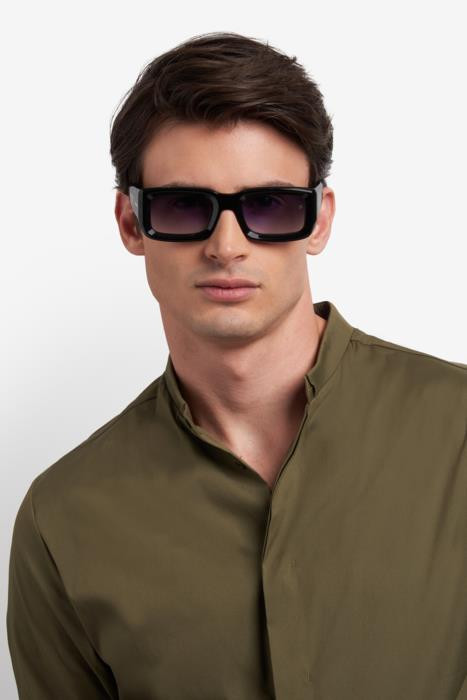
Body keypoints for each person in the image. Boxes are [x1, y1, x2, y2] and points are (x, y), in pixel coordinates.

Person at [6, 31, 467, 700]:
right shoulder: (62, 519)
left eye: (268, 206)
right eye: (183, 206)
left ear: (318, 220)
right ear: (131, 224)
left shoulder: (457, 432)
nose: (226, 246)